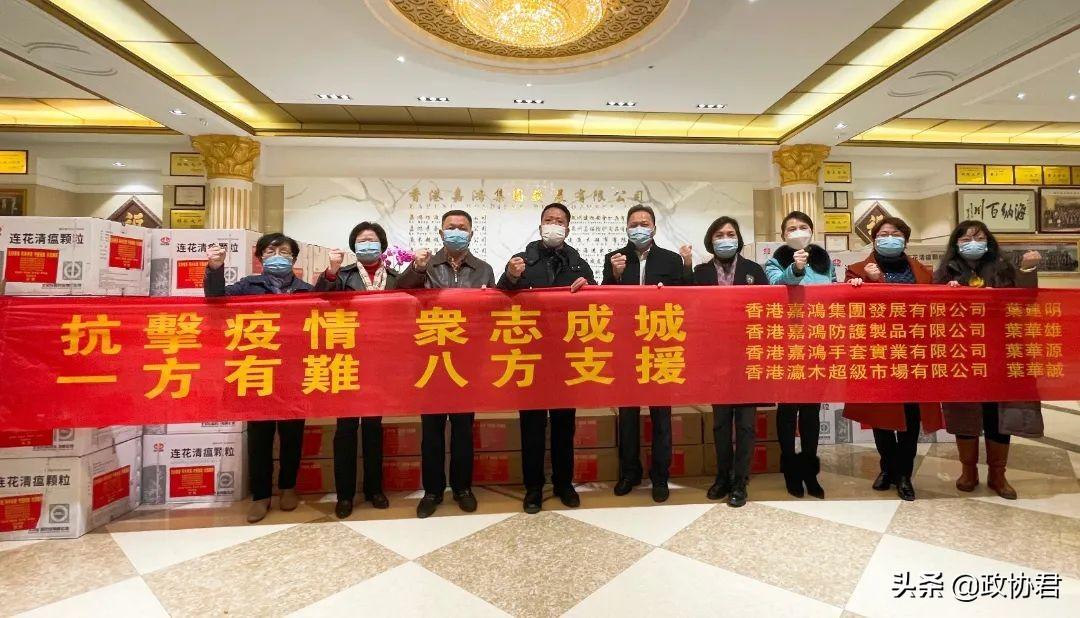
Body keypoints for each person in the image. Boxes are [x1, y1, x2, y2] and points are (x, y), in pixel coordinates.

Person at [204, 233, 313, 523]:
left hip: (293, 373)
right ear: (260, 257)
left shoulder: (306, 291)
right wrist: (215, 268)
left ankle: (288, 488)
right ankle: (261, 495)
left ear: (293, 258)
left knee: (292, 436)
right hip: (256, 370)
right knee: (259, 437)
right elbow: (216, 301)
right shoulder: (247, 286)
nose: (278, 256)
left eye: (284, 252)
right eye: (271, 251)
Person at [933, 220, 1043, 500]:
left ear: (988, 241)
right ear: (956, 244)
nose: (973, 243)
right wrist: (947, 297)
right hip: (962, 352)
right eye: (966, 239)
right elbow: (933, 312)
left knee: (999, 413)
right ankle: (968, 471)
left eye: (979, 238)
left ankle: (998, 474)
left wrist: (1027, 270)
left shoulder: (1004, 268)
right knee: (964, 412)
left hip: (1000, 351)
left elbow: (1025, 301)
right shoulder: (944, 272)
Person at [398, 209, 496, 518]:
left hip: (466, 361)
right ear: (441, 233)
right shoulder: (425, 267)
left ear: (471, 234)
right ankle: (433, 491)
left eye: (462, 228)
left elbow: (490, 316)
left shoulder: (483, 270)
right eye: (450, 227)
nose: (456, 232)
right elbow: (399, 295)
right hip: (430, 360)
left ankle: (463, 488)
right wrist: (416, 268)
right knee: (432, 431)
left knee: (464, 429)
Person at [498, 202, 595, 514]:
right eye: (549, 220)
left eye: (560, 221)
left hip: (566, 357)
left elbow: (595, 303)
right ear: (540, 226)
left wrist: (589, 289)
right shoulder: (522, 261)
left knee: (565, 426)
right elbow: (501, 296)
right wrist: (511, 277)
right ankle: (534, 488)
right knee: (532, 426)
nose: (554, 224)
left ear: (568, 228)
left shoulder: (578, 264)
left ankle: (564, 483)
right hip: (530, 357)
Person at [846, 217, 943, 501]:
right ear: (874, 239)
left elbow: (934, 308)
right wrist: (866, 283)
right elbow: (852, 309)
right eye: (883, 233)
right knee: (881, 416)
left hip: (913, 353)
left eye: (896, 233)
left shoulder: (923, 272)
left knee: (911, 416)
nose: (889, 237)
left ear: (905, 239)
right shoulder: (857, 270)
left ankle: (904, 474)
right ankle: (887, 467)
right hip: (877, 352)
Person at [603, 204, 692, 503]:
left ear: (654, 227)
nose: (639, 228)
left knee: (661, 415)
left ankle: (660, 475)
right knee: (628, 414)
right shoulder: (614, 258)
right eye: (634, 224)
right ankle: (629, 472)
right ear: (626, 228)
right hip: (627, 346)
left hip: (660, 345)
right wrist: (615, 276)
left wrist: (686, 267)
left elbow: (684, 299)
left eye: (644, 223)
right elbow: (604, 302)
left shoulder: (670, 259)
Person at [315, 221, 398, 518]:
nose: (367, 244)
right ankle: (345, 495)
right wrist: (331, 271)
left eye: (372, 239)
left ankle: (374, 489)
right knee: (346, 429)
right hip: (347, 359)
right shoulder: (342, 275)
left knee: (374, 428)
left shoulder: (395, 278)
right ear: (353, 246)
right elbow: (321, 298)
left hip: (380, 362)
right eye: (361, 240)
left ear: (382, 245)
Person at [694, 216, 768, 507]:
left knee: (746, 424)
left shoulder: (754, 271)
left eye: (730, 234)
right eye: (719, 235)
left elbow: (767, 311)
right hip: (716, 360)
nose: (725, 239)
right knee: (721, 423)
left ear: (738, 239)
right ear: (710, 241)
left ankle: (740, 481)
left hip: (748, 358)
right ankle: (722, 477)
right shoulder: (700, 273)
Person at [764, 211, 834, 499]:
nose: (797, 232)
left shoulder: (824, 260)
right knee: (788, 409)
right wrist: (796, 268)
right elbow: (777, 285)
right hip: (787, 344)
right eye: (791, 228)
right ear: (783, 236)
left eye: (803, 227)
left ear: (812, 231)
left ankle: (809, 471)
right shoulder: (775, 260)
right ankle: (790, 471)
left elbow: (832, 293)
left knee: (810, 410)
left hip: (817, 343)